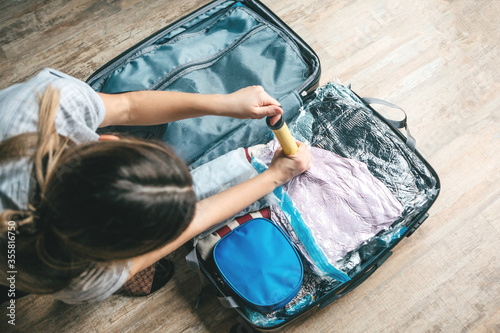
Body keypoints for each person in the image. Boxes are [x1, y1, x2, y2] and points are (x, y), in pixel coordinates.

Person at [0, 68, 311, 304]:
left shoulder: (47, 104)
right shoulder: (84, 279)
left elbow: (127, 107)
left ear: (110, 141)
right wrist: (274, 177)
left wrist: (225, 103)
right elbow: (194, 222)